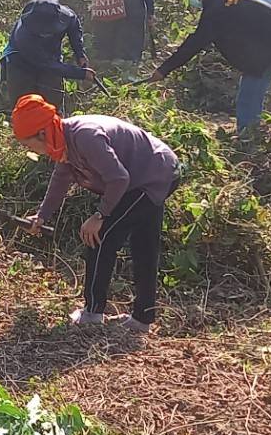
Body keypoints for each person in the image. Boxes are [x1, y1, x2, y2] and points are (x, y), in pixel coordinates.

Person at [12, 94, 179, 334]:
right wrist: (42, 216)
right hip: (148, 175)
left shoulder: (85, 136)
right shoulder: (63, 140)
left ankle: (92, 313)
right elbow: (61, 179)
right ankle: (142, 318)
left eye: (28, 144)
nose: (30, 150)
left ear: (42, 133)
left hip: (153, 176)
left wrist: (99, 216)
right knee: (144, 245)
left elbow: (119, 178)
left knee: (99, 237)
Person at [139, 0, 271, 134]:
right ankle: (246, 135)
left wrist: (163, 70)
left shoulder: (217, 8)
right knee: (248, 97)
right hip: (262, 50)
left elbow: (194, 44)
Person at [0, 0, 95, 114]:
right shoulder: (23, 36)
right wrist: (80, 74)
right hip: (20, 63)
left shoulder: (66, 16)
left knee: (53, 104)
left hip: (51, 58)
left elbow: (73, 26)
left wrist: (79, 54)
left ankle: (54, 123)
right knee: (24, 106)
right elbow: (46, 65)